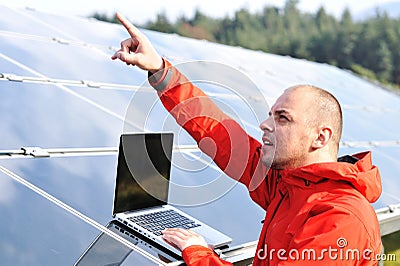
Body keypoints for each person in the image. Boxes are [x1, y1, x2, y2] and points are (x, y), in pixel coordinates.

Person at [111, 12, 383, 265]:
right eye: (270, 115)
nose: (265, 125)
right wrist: (160, 70)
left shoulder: (340, 219)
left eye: (283, 118)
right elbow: (220, 134)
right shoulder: (289, 184)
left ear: (320, 137)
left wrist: (198, 253)